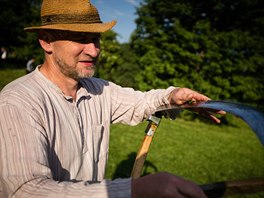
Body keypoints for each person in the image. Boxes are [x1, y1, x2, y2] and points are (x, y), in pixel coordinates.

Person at [0, 0, 225, 197]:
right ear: (46, 41)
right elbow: (25, 190)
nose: (94, 51)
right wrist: (134, 191)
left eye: (95, 39)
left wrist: (173, 96)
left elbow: (141, 102)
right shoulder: (17, 102)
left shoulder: (98, 89)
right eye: (80, 39)